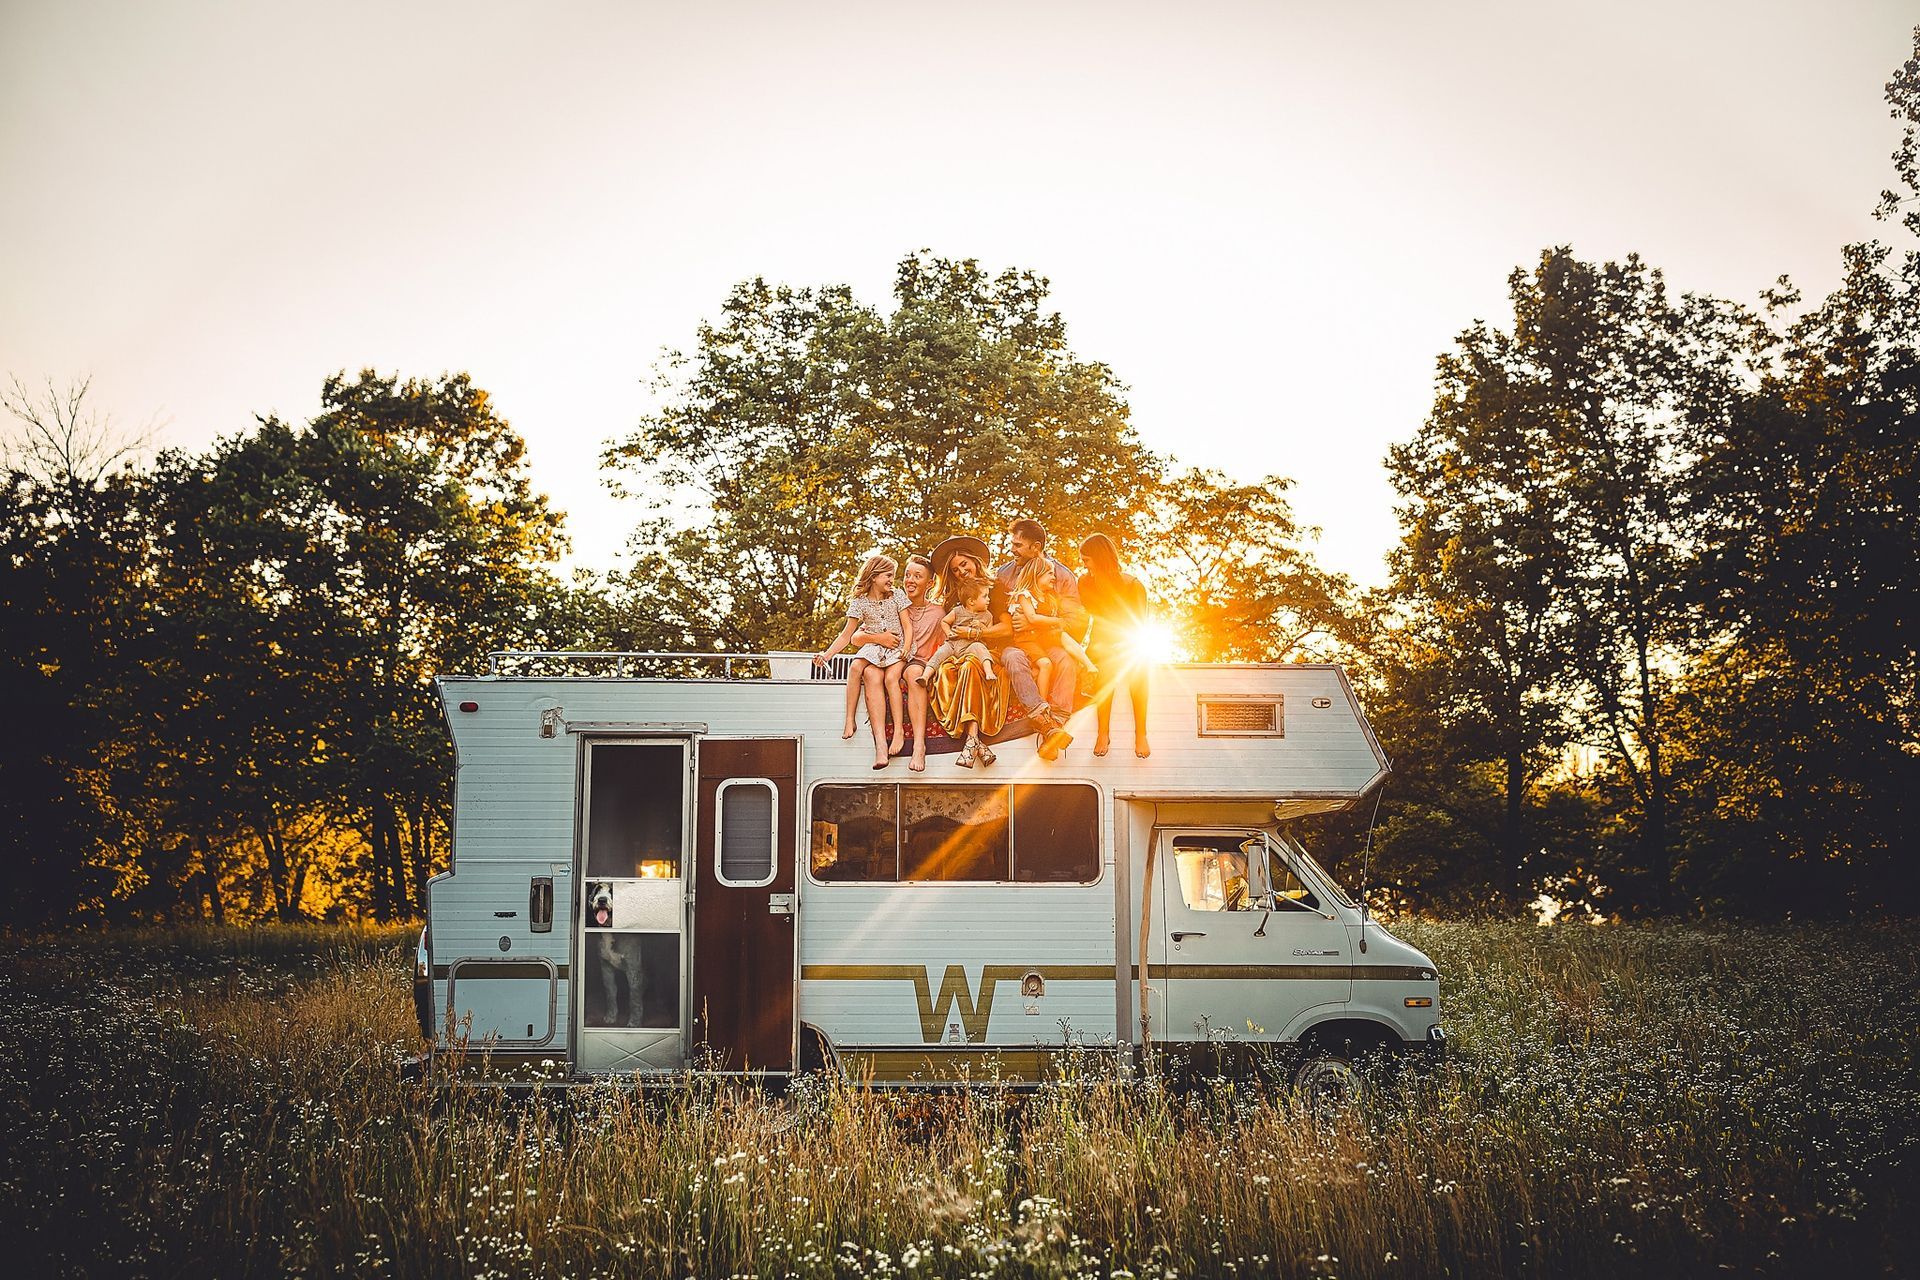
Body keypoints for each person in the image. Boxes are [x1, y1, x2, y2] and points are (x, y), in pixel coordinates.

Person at [982, 518, 1083, 761]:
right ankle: (1043, 720)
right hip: (1013, 644)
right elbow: (994, 613)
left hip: (1049, 642)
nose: (1011, 550)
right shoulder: (1003, 574)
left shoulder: (1061, 576)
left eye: (1018, 545)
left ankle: (1053, 727)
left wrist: (1036, 624)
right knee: (1015, 659)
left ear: (1035, 547)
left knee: (1066, 663)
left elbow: (1076, 621)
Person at [814, 553, 914, 769]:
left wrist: (906, 648)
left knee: (890, 679)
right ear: (874, 575)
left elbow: (907, 626)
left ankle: (898, 731)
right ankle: (850, 719)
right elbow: (846, 635)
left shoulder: (897, 595)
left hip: (897, 646)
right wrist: (826, 655)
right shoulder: (859, 602)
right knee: (856, 666)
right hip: (876, 648)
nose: (892, 580)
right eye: (888, 575)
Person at [926, 535, 1008, 769]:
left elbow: (1006, 628)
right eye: (955, 569)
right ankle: (975, 742)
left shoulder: (993, 589)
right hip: (959, 653)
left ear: (974, 561)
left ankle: (971, 740)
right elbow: (948, 630)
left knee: (972, 665)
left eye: (964, 564)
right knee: (945, 671)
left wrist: (974, 635)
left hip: (987, 653)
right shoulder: (953, 597)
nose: (961, 571)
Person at [1079, 532, 1153, 758]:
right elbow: (1089, 615)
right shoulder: (1084, 582)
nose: (1084, 566)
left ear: (1100, 558)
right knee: (1105, 671)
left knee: (1140, 670)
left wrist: (1123, 645)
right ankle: (1103, 732)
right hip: (1101, 642)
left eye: (1087, 560)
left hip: (1129, 640)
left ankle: (1141, 733)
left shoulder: (1133, 585)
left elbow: (1140, 623)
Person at [1008, 555, 1094, 696]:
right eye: (1049, 573)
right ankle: (1042, 702)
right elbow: (1032, 618)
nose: (1053, 577)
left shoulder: (1049, 597)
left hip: (1040, 637)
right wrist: (1057, 621)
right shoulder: (1024, 595)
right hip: (1027, 640)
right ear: (1036, 575)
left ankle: (1087, 666)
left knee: (1063, 637)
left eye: (1053, 573)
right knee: (1046, 664)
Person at [897, 554, 946, 772]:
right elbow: (859, 635)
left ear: (930, 583)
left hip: (923, 667)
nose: (910, 580)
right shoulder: (894, 607)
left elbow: (946, 646)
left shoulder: (938, 613)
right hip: (893, 663)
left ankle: (919, 745)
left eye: (918, 576)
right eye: (908, 575)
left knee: (916, 672)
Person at [918, 577, 998, 687]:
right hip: (953, 644)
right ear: (971, 601)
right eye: (985, 596)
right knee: (940, 653)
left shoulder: (987, 616)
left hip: (970, 646)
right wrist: (949, 632)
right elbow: (944, 622)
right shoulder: (957, 611)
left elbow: (989, 635)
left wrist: (982, 626)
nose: (989, 599)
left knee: (980, 648)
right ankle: (925, 676)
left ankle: (989, 672)